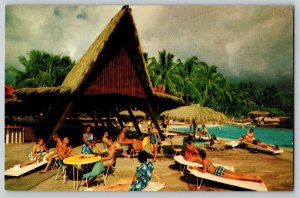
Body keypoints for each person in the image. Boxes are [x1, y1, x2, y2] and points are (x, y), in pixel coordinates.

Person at [91, 150, 165, 191]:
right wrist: (160, 180)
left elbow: (134, 179)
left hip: (138, 185)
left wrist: (129, 185)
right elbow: (154, 172)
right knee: (119, 181)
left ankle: (98, 189)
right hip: (142, 181)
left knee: (116, 187)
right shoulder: (149, 163)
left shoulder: (142, 167)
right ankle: (99, 188)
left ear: (139, 159)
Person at [190, 149, 262, 182]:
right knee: (237, 174)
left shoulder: (203, 161)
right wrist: (199, 167)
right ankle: (254, 177)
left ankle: (256, 179)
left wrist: (196, 168)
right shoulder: (206, 159)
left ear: (200, 155)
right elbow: (207, 168)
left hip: (218, 172)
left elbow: (204, 171)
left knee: (238, 177)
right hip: (219, 168)